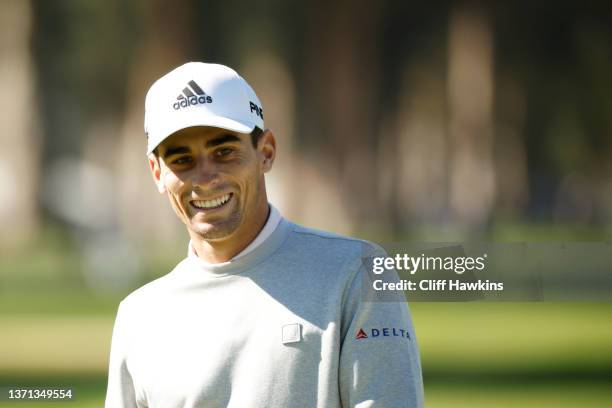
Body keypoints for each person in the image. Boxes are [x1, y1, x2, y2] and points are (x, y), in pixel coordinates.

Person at [105, 62, 424, 408]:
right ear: (157, 173)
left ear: (266, 151)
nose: (206, 177)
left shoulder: (356, 273)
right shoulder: (139, 316)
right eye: (182, 160)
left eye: (224, 152)